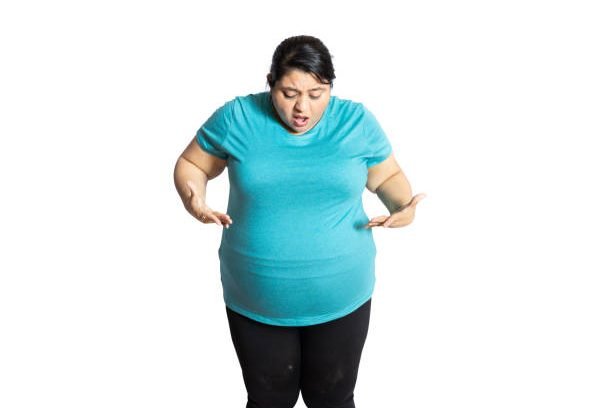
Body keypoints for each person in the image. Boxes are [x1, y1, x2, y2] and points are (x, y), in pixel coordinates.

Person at [173, 35, 426, 408]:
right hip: (256, 296)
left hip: (342, 294)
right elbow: (192, 164)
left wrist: (403, 205)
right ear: (271, 83)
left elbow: (387, 178)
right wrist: (192, 195)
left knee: (333, 398)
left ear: (330, 87)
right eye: (289, 93)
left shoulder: (356, 122)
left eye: (316, 93)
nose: (302, 107)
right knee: (269, 399)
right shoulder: (238, 117)